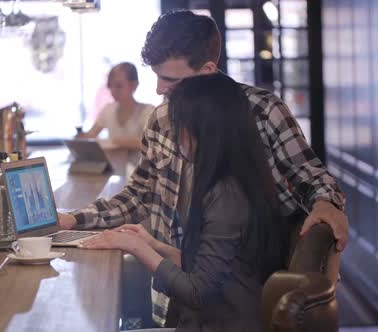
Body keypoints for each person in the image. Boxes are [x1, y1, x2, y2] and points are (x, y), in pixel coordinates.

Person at [59, 10, 348, 326]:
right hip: (177, 293)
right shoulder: (160, 119)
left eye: (169, 78)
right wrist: (74, 219)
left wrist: (326, 204)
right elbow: (138, 197)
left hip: (234, 303)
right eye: (155, 75)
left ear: (208, 70)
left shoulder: (264, 112)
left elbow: (314, 180)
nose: (158, 89)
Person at [82, 73, 286, 331]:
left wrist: (138, 248)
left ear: (205, 129)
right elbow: (208, 269)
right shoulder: (229, 179)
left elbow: (199, 292)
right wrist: (154, 244)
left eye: (180, 127)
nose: (175, 137)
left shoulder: (226, 194)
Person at [77, 62, 155, 150]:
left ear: (134, 85)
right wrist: (80, 137)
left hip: (140, 163)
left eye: (119, 86)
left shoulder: (148, 111)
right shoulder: (108, 109)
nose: (113, 90)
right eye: (110, 85)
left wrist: (114, 141)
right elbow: (91, 135)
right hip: (114, 163)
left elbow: (151, 143)